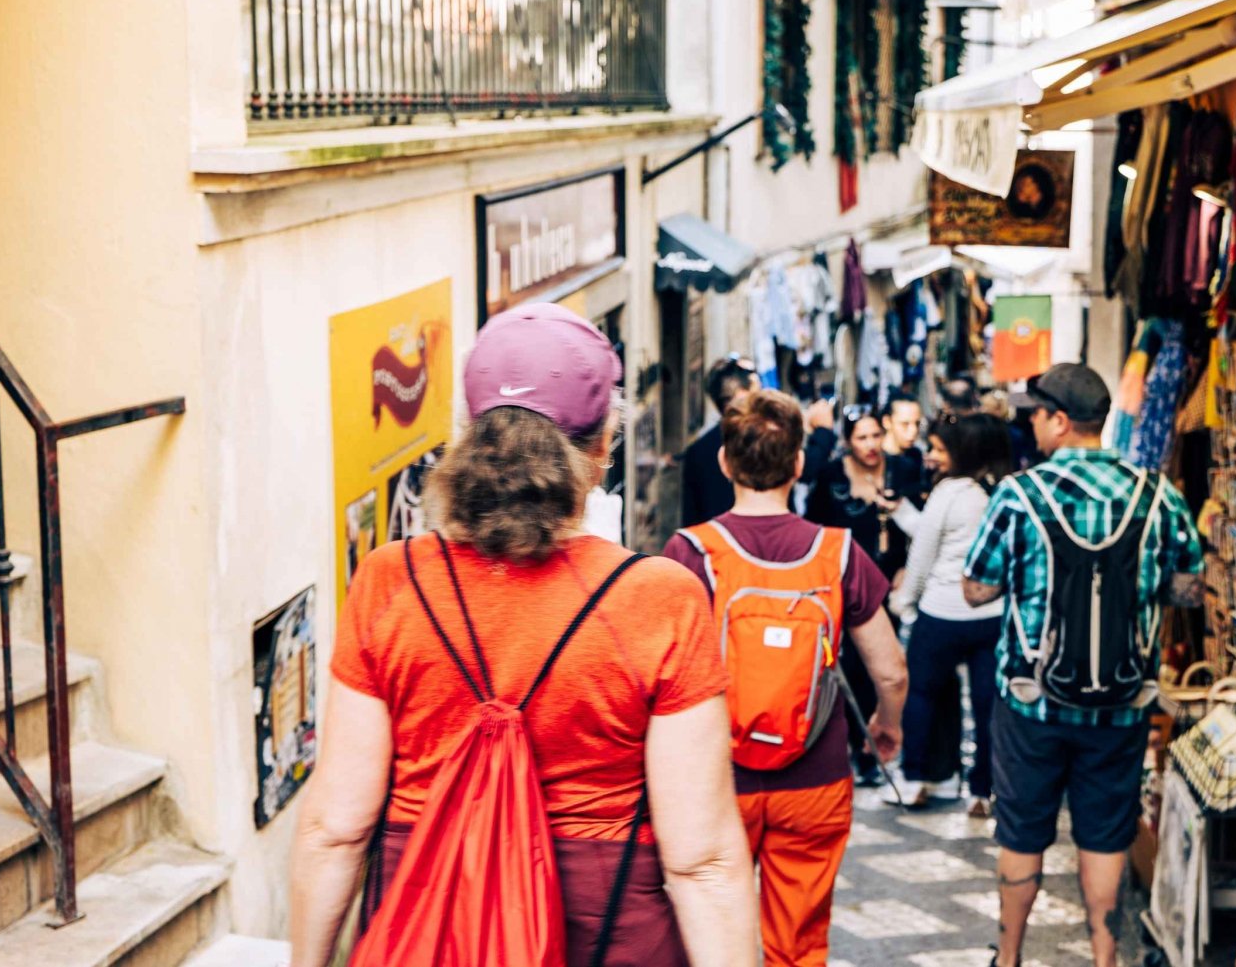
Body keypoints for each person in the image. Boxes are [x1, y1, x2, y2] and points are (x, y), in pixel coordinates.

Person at [290, 305, 757, 967]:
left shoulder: (390, 582)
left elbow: (334, 830)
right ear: (600, 448)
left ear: (474, 437)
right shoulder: (659, 599)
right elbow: (702, 862)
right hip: (608, 930)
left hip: (427, 921)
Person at [962, 363, 1203, 967]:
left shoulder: (1018, 495)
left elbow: (974, 588)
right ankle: (1103, 957)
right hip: (1122, 707)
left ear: (1061, 421)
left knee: (1021, 833)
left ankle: (1010, 956)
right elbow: (1192, 588)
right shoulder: (1158, 494)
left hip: (1029, 704)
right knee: (1105, 834)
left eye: (1037, 415)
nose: (1032, 426)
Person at [664, 390, 907, 967]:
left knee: (704, 934)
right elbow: (891, 671)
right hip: (815, 779)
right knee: (798, 944)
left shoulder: (691, 553)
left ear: (725, 464)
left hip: (717, 780)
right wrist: (884, 725)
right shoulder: (840, 553)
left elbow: (661, 676)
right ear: (799, 464)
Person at [888, 412, 1012, 816]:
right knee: (986, 703)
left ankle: (916, 780)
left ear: (963, 451)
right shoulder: (1003, 491)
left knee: (921, 695)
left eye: (941, 449)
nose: (933, 456)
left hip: (941, 612)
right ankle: (981, 791)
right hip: (991, 616)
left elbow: (923, 554)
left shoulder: (949, 492)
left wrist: (905, 601)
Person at [806, 405, 925, 785]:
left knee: (886, 666)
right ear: (848, 441)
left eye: (875, 435)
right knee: (852, 667)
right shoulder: (831, 476)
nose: (871, 445)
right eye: (862, 437)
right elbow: (816, 529)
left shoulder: (903, 469)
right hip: (844, 586)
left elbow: (919, 523)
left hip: (889, 586)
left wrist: (908, 566)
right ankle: (858, 747)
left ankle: (874, 743)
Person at [681, 356, 835, 528]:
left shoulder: (696, 451)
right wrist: (823, 431)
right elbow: (808, 469)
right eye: (758, 393)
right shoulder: (763, 435)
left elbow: (691, 518)